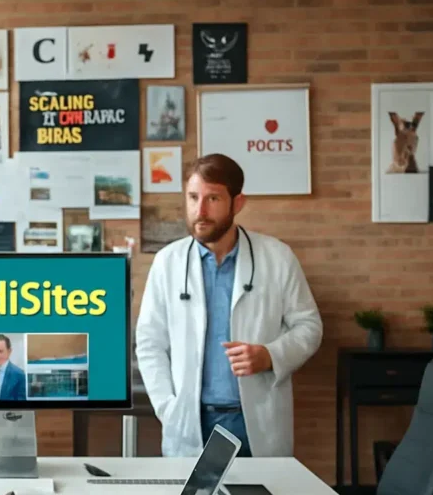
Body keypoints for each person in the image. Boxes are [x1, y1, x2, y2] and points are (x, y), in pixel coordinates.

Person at [135, 153, 322, 458]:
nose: (200, 210)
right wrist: (167, 407)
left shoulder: (277, 257)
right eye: (193, 198)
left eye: (213, 199)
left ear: (237, 203)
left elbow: (309, 327)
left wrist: (270, 356)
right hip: (190, 421)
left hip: (253, 422)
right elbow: (149, 343)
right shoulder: (167, 262)